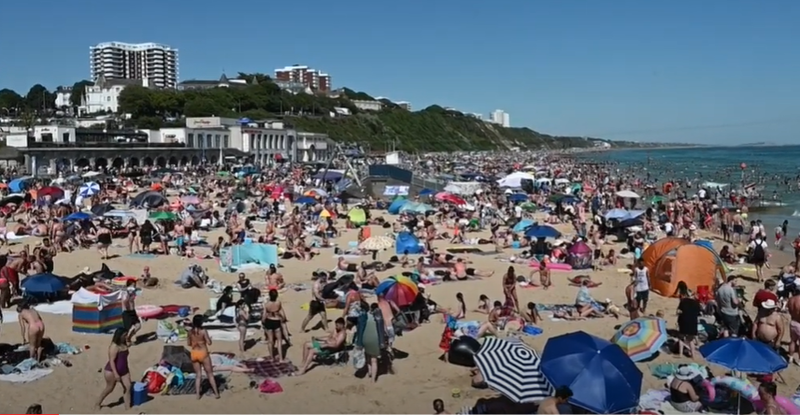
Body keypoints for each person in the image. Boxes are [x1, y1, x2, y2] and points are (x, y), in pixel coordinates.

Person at [95, 328, 131, 410]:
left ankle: (128, 407)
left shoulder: (124, 343)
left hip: (124, 370)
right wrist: (116, 374)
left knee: (128, 387)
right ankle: (98, 403)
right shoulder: (114, 346)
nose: (126, 336)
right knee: (109, 388)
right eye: (124, 335)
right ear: (119, 336)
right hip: (112, 371)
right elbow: (112, 361)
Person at [187, 315, 220, 399]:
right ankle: (216, 393)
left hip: (194, 353)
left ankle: (198, 395)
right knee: (210, 374)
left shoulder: (190, 332)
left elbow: (189, 343)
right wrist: (207, 339)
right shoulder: (203, 331)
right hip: (203, 353)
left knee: (198, 375)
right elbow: (209, 343)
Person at [675, 281, 700, 357]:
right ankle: (693, 355)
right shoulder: (696, 303)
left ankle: (680, 354)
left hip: (684, 321)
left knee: (681, 338)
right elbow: (698, 313)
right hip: (693, 322)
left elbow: (678, 311)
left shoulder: (683, 301)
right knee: (691, 340)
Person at [262, 289, 287, 362]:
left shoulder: (266, 304)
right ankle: (281, 358)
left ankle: (272, 357)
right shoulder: (278, 303)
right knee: (279, 340)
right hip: (276, 321)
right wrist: (283, 319)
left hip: (269, 321)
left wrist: (263, 322)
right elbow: (282, 312)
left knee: (270, 340)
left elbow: (264, 315)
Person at [121, 280, 141, 345]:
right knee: (128, 328)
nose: (134, 286)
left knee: (138, 325)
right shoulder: (125, 292)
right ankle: (125, 341)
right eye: (133, 285)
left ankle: (128, 338)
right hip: (127, 312)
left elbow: (139, 292)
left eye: (135, 285)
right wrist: (129, 296)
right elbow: (124, 302)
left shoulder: (133, 292)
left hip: (132, 311)